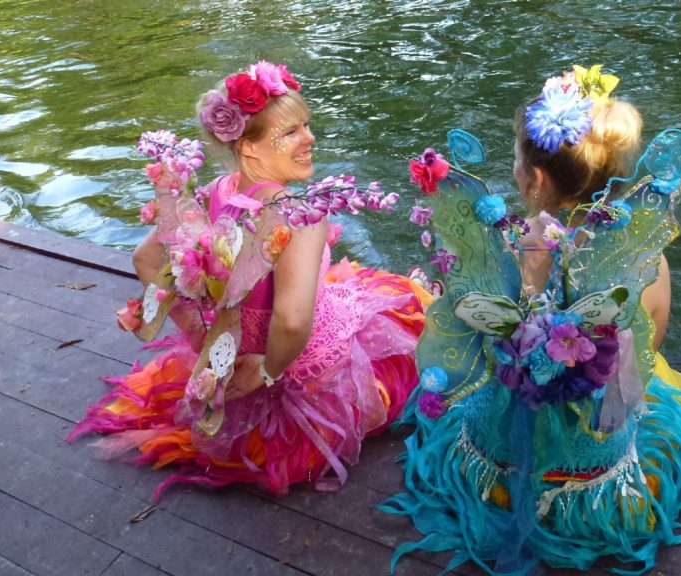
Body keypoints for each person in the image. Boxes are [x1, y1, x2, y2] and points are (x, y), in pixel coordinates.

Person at [382, 65, 681, 575]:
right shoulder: (643, 260)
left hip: (498, 467)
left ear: (535, 178)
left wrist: (523, 290)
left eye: (518, 161)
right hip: (600, 472)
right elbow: (646, 357)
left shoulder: (508, 246)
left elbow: (477, 354)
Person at [68, 60, 430, 499]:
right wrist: (267, 371)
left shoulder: (216, 192)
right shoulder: (299, 217)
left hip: (232, 349)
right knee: (413, 327)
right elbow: (293, 322)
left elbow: (145, 258)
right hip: (297, 368)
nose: (310, 138)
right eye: (292, 132)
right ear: (250, 148)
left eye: (307, 126)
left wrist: (203, 338)